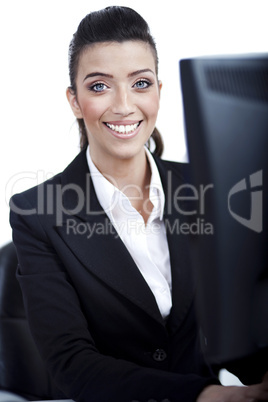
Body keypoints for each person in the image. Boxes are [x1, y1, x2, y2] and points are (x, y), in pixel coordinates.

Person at [9, 6, 268, 402]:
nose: (124, 105)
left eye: (141, 83)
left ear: (159, 93)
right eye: (99, 86)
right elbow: (72, 365)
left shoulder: (210, 188)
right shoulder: (37, 213)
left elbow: (242, 327)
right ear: (75, 101)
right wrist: (204, 394)